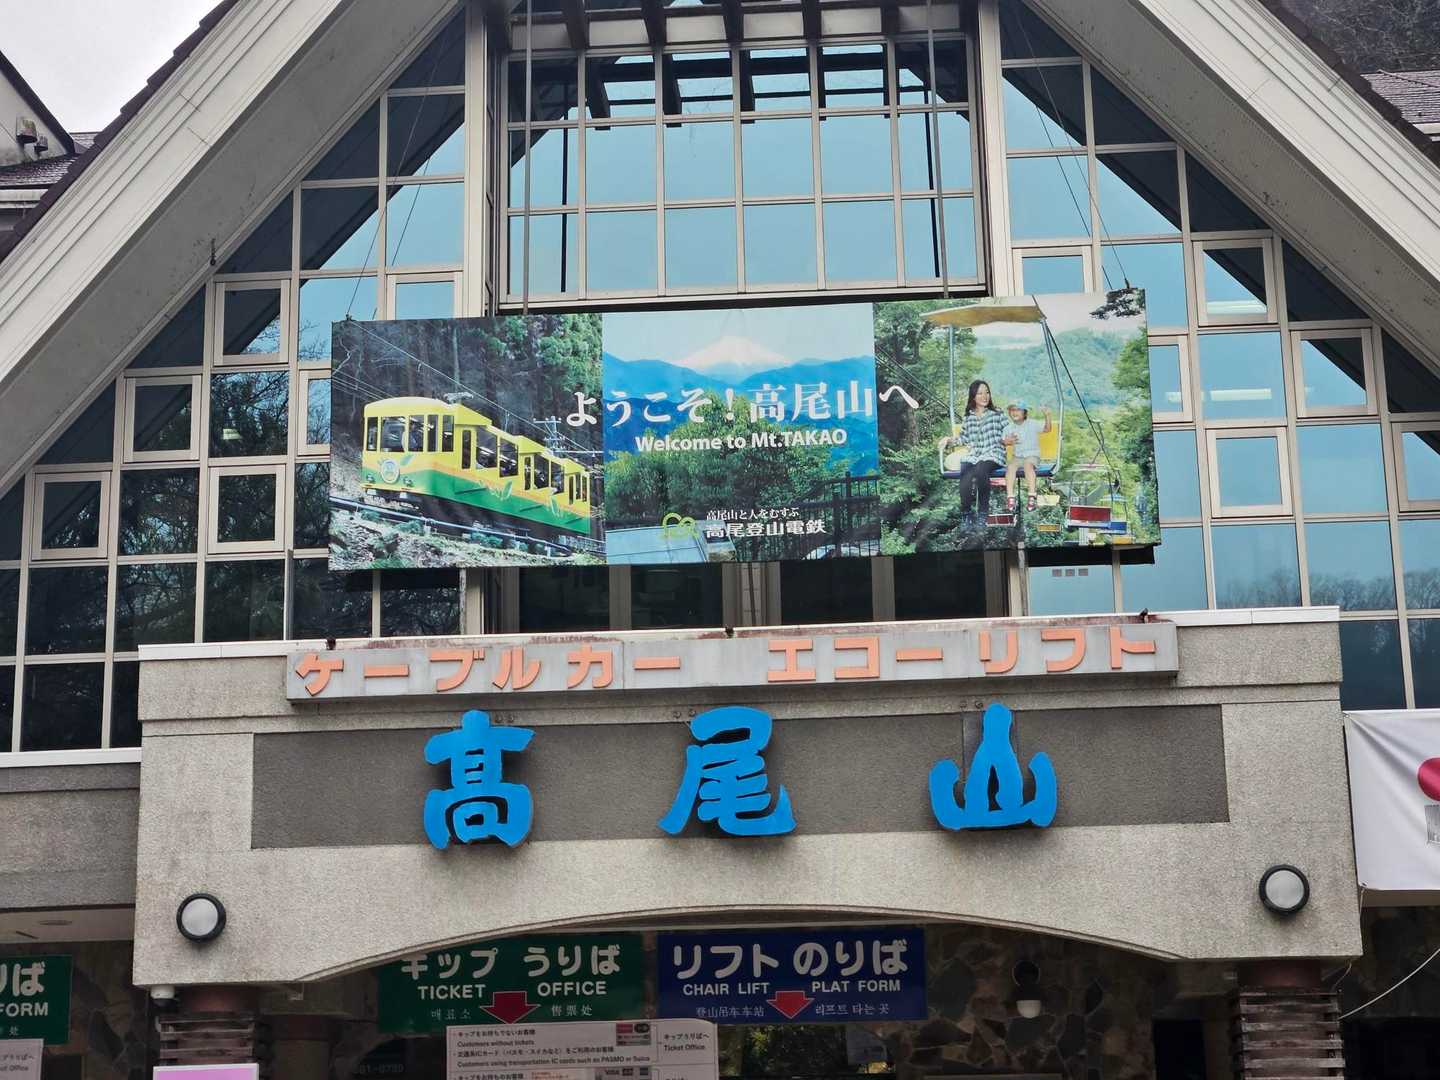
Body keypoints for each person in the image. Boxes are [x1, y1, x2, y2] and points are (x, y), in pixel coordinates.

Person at [937, 380, 1006, 527]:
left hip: (993, 453)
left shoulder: (997, 413)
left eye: (987, 392)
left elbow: (1009, 430)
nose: (985, 396)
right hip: (976, 454)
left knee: (981, 469)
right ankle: (966, 513)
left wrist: (1011, 438)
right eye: (980, 393)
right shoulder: (969, 417)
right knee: (965, 468)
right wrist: (948, 440)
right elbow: (964, 438)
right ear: (973, 396)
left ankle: (982, 514)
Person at [1002, 399, 1053, 512]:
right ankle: (1010, 496)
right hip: (1017, 456)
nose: (1015, 412)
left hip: (1032, 454)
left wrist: (1047, 415)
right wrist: (1007, 442)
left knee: (1028, 465)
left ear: (1024, 413)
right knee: (1010, 467)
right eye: (1012, 410)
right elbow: (1004, 442)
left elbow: (1047, 429)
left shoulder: (1032, 424)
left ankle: (1032, 495)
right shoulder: (1008, 428)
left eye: (1018, 410)